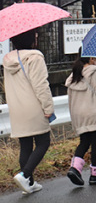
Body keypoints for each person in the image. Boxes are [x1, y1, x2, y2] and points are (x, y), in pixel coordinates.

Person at [3, 29, 54, 194]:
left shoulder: (8, 60)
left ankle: (29, 183)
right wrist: (48, 107)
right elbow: (41, 85)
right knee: (43, 142)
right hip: (34, 107)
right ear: (31, 38)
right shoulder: (34, 57)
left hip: (17, 109)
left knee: (25, 145)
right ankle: (25, 175)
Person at [65, 52, 96, 186]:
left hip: (80, 115)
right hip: (95, 113)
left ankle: (75, 168)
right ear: (92, 59)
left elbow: (70, 100)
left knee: (84, 142)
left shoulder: (74, 75)